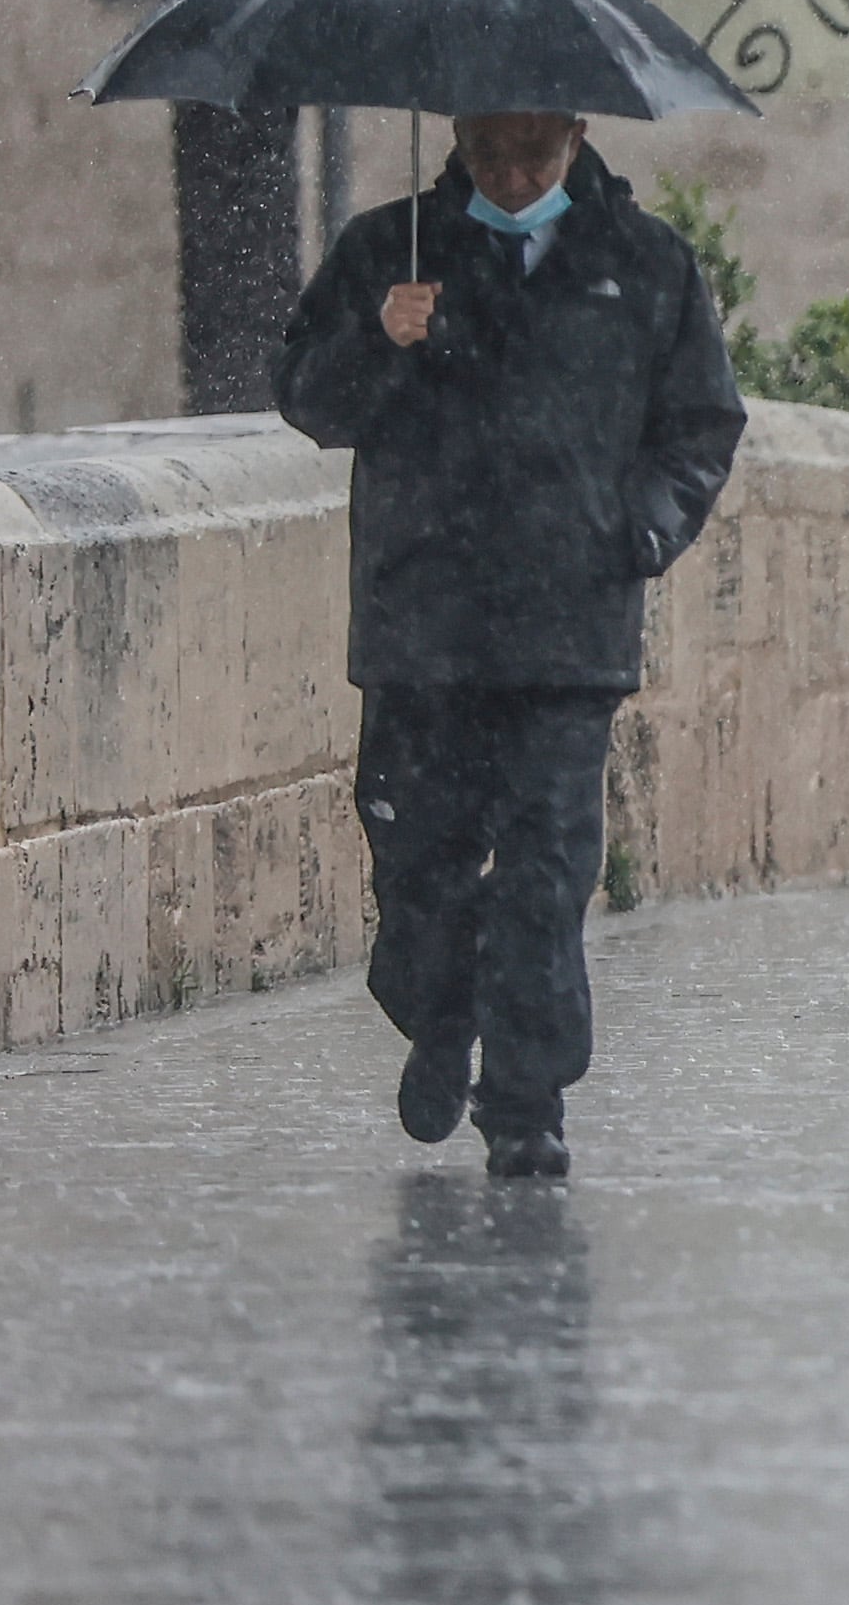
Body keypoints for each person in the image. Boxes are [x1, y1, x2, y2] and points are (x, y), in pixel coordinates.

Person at [273, 112, 744, 1180]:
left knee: (546, 867)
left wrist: (642, 528)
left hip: (569, 633)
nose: (514, 173)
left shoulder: (643, 264)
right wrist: (378, 341)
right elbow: (307, 393)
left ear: (576, 136)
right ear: (457, 136)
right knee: (418, 862)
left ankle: (527, 1096)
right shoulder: (387, 251)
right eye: (493, 150)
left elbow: (700, 423)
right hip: (419, 626)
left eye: (535, 151)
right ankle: (438, 1013)